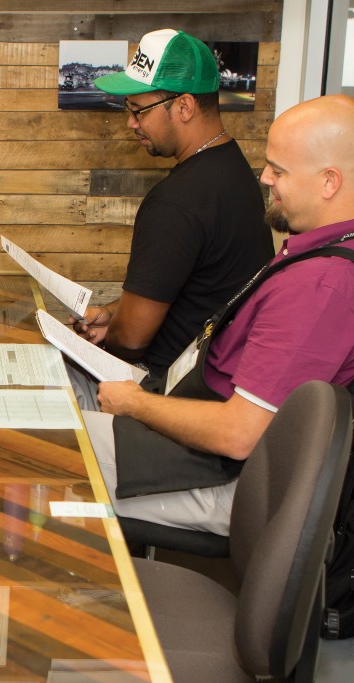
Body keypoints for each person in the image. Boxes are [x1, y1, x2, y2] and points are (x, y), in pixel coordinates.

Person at [85, 94, 354, 535]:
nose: (265, 178)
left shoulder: (321, 285)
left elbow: (238, 434)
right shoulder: (314, 253)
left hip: (230, 483)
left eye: (279, 170)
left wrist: (135, 404)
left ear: (329, 182)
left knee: (48, 447)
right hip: (206, 440)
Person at [72, 29, 273, 381]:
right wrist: (115, 315)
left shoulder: (176, 202)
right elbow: (196, 287)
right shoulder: (234, 167)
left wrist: (113, 335)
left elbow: (132, 341)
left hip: (166, 389)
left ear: (183, 107)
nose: (131, 122)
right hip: (215, 377)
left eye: (139, 110)